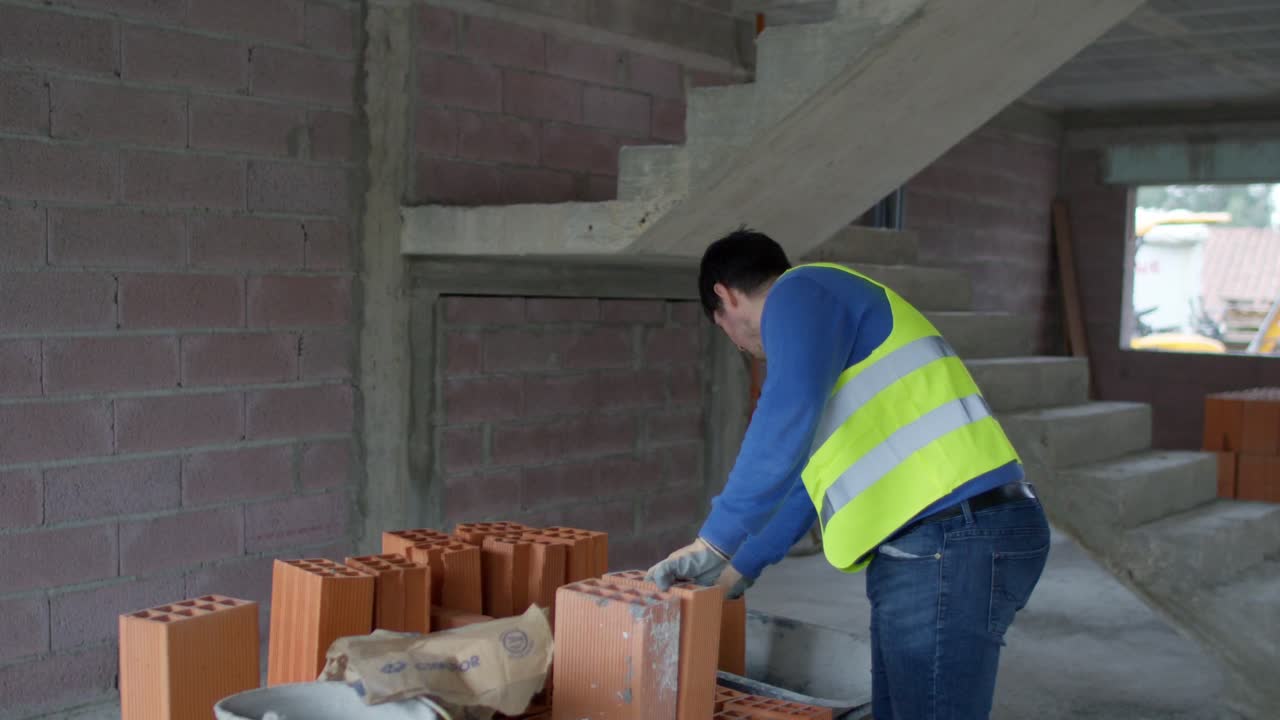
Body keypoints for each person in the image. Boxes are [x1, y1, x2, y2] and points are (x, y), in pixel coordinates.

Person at [645, 228, 1050, 719]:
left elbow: (783, 416)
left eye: (724, 328)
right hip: (944, 539)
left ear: (724, 298)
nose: (741, 345)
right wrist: (735, 568)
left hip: (952, 536)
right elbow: (804, 484)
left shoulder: (800, 290)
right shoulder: (829, 338)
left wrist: (714, 540)